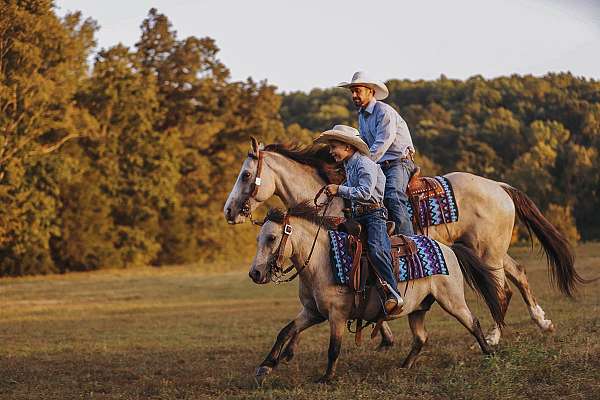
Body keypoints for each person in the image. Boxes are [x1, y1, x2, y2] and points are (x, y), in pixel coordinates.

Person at [315, 124, 403, 313]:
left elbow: (364, 192)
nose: (331, 152)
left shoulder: (364, 164)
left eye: (334, 147)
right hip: (358, 215)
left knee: (376, 249)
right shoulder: (349, 164)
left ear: (348, 147)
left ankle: (393, 293)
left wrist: (338, 189)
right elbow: (351, 189)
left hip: (374, 215)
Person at [338, 71, 416, 235]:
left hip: (398, 162)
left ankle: (410, 240)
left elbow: (382, 143)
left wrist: (362, 164)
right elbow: (364, 145)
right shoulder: (362, 116)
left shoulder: (384, 111)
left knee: (392, 195)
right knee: (358, 193)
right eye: (352, 91)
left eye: (357, 90)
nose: (353, 95)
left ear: (371, 91)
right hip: (379, 164)